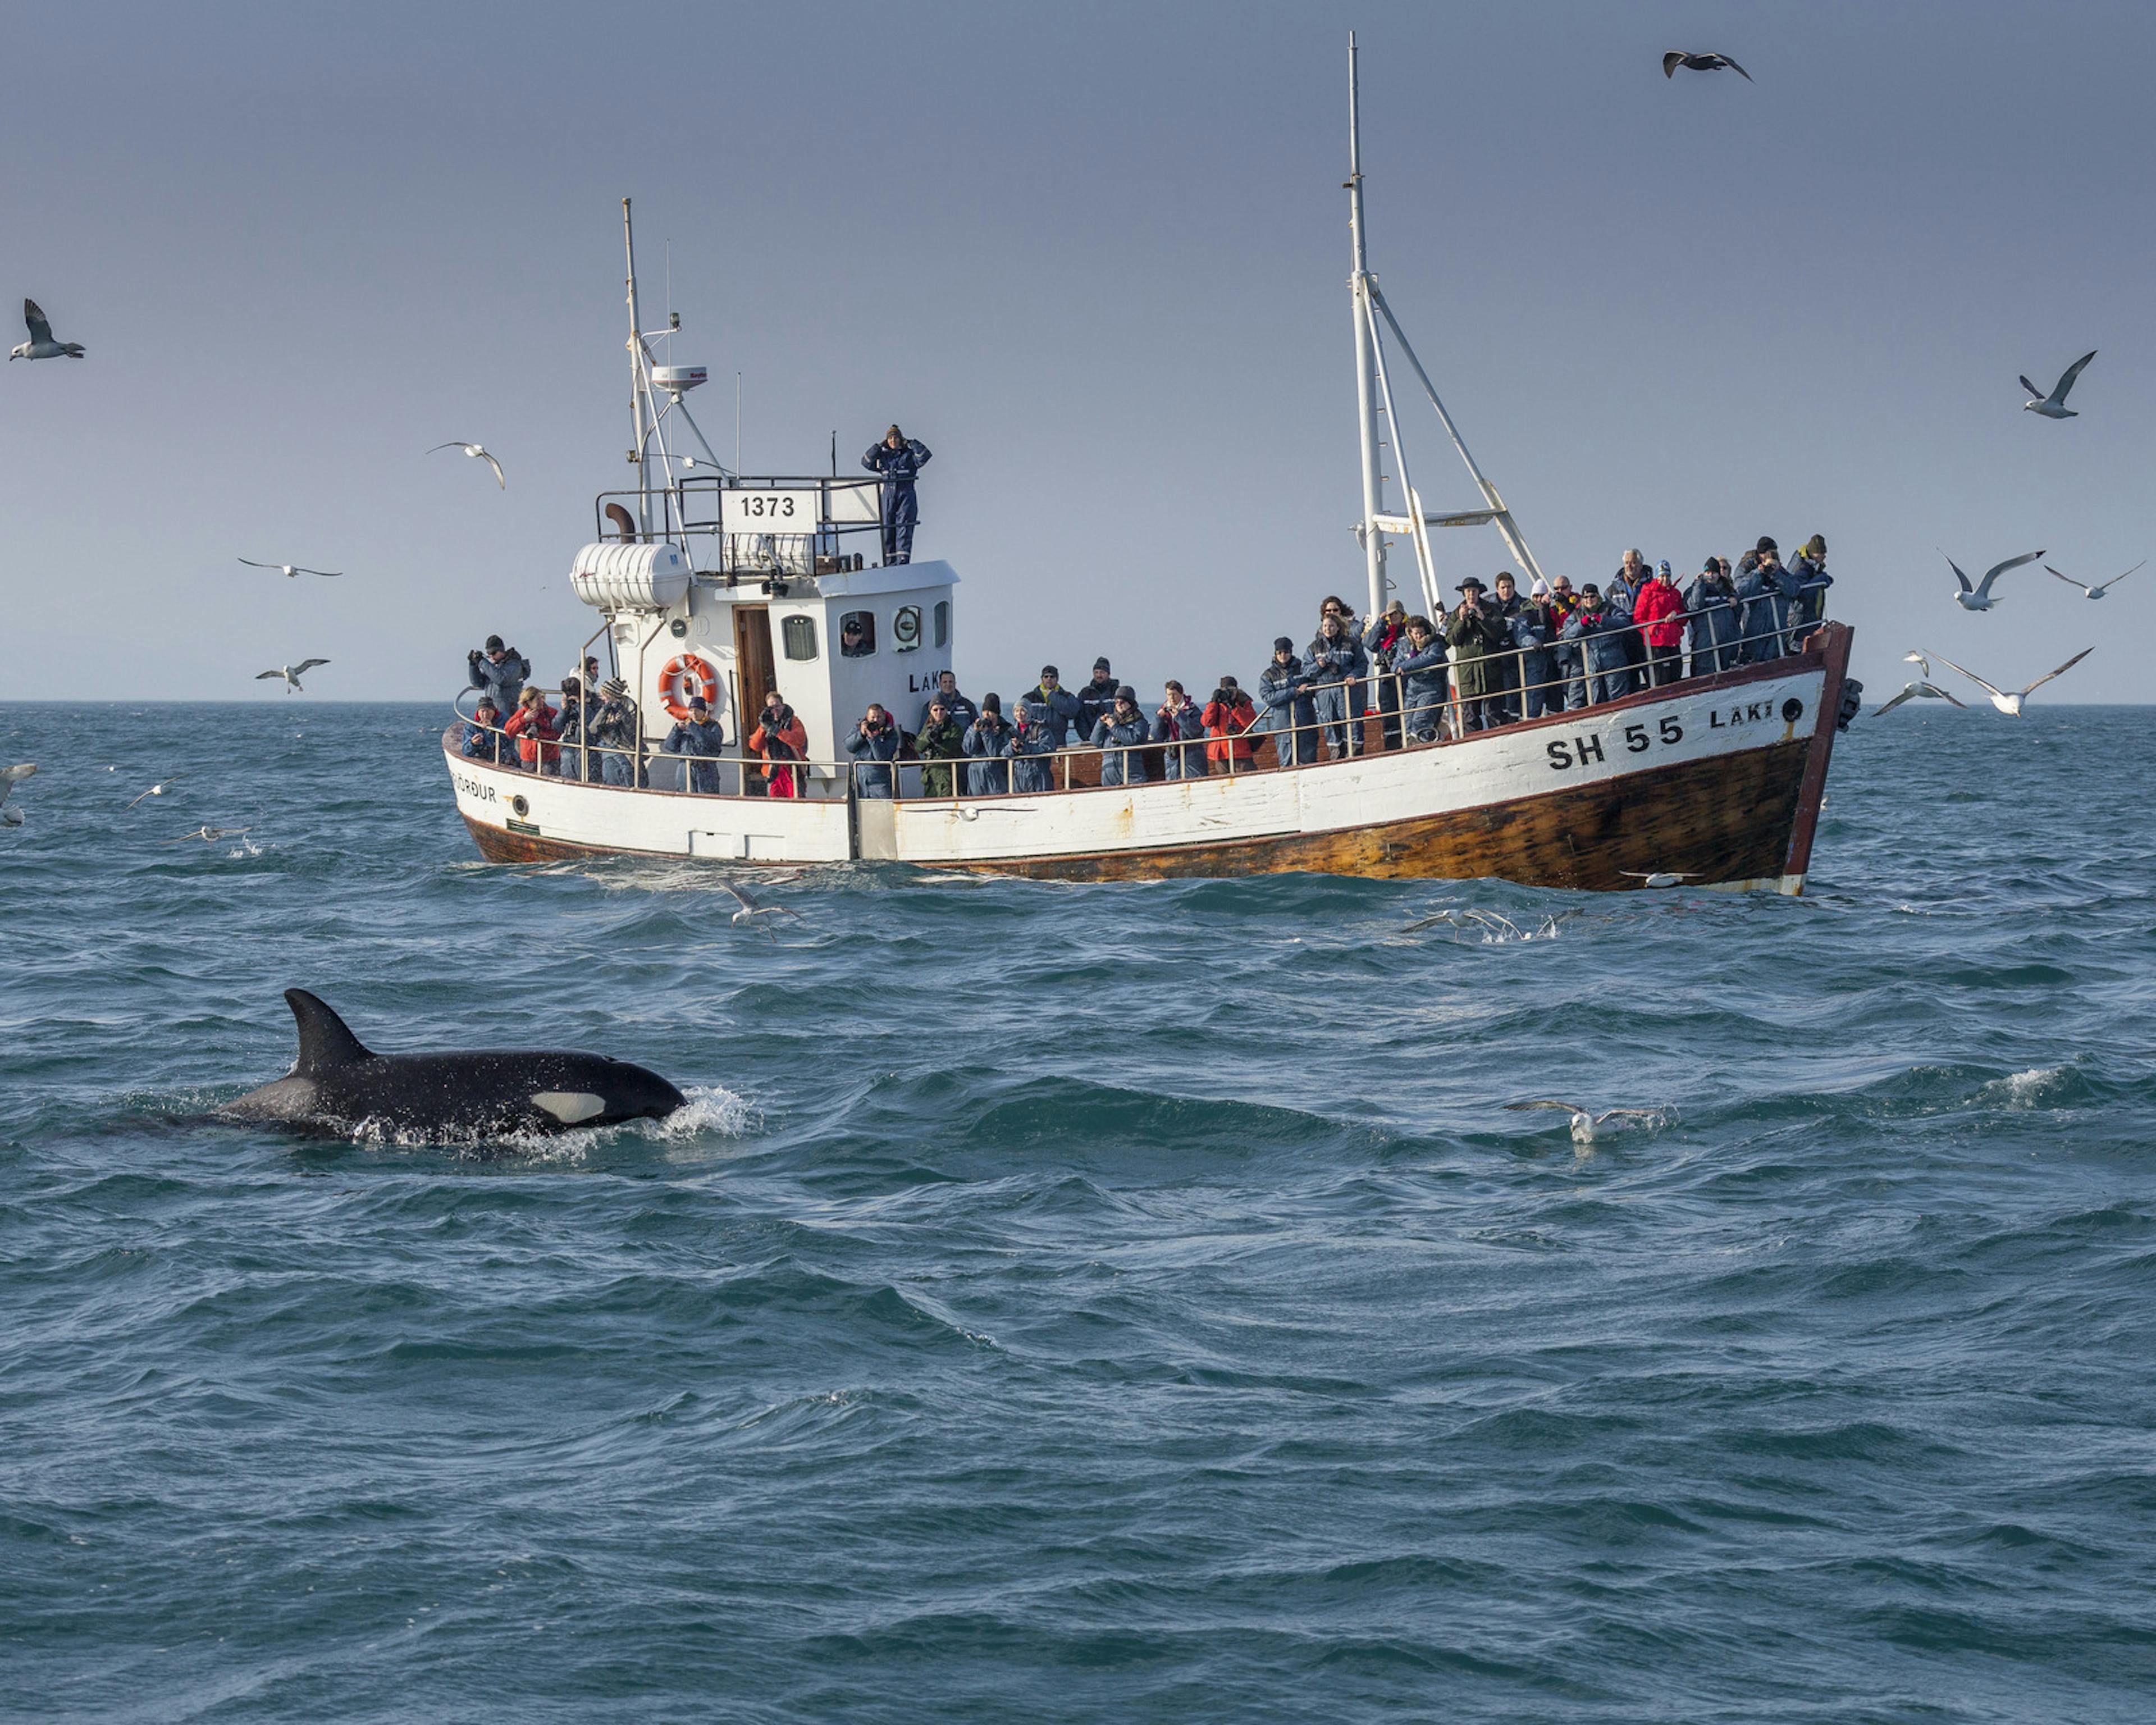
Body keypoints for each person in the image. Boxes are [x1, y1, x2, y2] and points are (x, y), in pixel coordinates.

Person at [861, 424, 932, 564]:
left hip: (906, 495)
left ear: (901, 439)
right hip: (888, 495)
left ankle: (903, 562)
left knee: (904, 528)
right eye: (891, 438)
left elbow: (925, 456)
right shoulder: (883, 457)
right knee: (888, 530)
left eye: (896, 438)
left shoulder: (909, 456)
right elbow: (866, 462)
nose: (893, 441)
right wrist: (878, 446)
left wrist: (912, 443)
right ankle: (890, 563)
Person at [1305, 605, 1369, 758]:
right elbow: (1306, 670)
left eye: (1332, 626)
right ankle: (1336, 758)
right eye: (1326, 626)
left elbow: (1362, 664)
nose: (1328, 629)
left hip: (1347, 691)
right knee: (1330, 725)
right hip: (1325, 692)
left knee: (1352, 723)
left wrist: (1354, 675)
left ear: (1338, 627)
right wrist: (1318, 666)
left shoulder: (1350, 644)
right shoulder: (1314, 648)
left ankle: (1355, 756)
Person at [1446, 576, 1509, 732]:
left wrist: (1483, 618)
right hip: (1468, 675)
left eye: (1474, 591)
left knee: (1494, 713)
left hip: (1490, 672)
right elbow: (1453, 639)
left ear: (1479, 592)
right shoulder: (1456, 614)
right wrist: (1461, 620)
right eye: (1468, 592)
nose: (1471, 595)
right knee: (1470, 716)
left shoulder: (1491, 610)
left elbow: (1499, 633)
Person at [1561, 585, 1630, 706]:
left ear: (1598, 597)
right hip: (1591, 663)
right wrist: (1582, 625)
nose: (1589, 600)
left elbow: (1624, 623)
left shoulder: (1610, 609)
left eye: (1592, 596)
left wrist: (1603, 620)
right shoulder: (1577, 615)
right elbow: (1567, 634)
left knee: (1618, 698)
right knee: (1596, 698)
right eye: (1586, 597)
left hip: (1613, 660)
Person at [1257, 637, 1319, 766]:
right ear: (1275, 654)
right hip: (1283, 726)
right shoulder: (1268, 675)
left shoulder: (1303, 669)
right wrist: (1293, 692)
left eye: (1286, 652)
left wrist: (1307, 690)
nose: (1283, 656)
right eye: (1280, 653)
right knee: (1286, 763)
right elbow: (1268, 697)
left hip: (1305, 722)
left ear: (1291, 652)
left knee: (1308, 762)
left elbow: (1314, 685)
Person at [1362, 599, 1410, 750]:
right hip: (1386, 675)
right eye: (1391, 614)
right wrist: (1379, 623)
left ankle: (1409, 741)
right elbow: (1369, 644)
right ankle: (1392, 746)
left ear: (1402, 614)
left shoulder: (1410, 629)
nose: (1394, 616)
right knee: (1388, 710)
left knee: (1407, 708)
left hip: (1406, 674)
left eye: (1397, 613)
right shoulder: (1383, 631)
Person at [1394, 615, 1450, 742]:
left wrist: (1406, 666)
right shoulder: (1404, 645)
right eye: (1415, 634)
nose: (1418, 637)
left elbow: (1431, 659)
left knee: (1421, 722)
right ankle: (1411, 747)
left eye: (1421, 633)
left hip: (1432, 689)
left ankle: (1421, 745)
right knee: (1407, 723)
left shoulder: (1435, 643)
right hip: (1412, 690)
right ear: (1410, 633)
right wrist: (1398, 668)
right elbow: (1395, 664)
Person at [1633, 559, 1687, 687]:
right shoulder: (1647, 593)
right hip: (1656, 643)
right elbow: (1638, 618)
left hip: (1673, 641)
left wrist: (1676, 614)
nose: (1665, 579)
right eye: (1662, 576)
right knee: (1660, 678)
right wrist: (1651, 628)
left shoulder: (1675, 594)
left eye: (1668, 576)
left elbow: (1684, 617)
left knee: (1676, 674)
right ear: (1657, 577)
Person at [1684, 557, 1743, 675]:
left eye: (1714, 573)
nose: (1711, 576)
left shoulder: (1727, 591)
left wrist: (1735, 598)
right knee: (1704, 674)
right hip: (1705, 643)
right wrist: (1699, 585)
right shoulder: (1694, 590)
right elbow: (1695, 605)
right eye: (1708, 573)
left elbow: (1738, 613)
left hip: (1726, 641)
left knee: (1728, 673)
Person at [1510, 584, 1559, 718]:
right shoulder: (1525, 616)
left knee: (1555, 700)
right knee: (1533, 699)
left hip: (1552, 663)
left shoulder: (1552, 612)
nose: (1538, 599)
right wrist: (1534, 642)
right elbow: (1521, 636)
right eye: (1536, 596)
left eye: (1541, 596)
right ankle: (1531, 722)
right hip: (1534, 663)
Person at [748, 691, 808, 798]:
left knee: (797, 803)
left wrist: (778, 732)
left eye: (777, 706)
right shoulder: (766, 725)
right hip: (774, 772)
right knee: (775, 804)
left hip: (793, 771)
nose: (775, 710)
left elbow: (799, 740)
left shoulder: (793, 721)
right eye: (771, 707)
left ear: (783, 706)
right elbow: (755, 746)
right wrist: (763, 727)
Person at [664, 695, 728, 794]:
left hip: (706, 771)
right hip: (685, 771)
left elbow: (712, 745)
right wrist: (676, 730)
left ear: (704, 712)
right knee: (685, 798)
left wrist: (693, 727)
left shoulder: (713, 726)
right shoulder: (684, 726)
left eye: (698, 710)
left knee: (707, 799)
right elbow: (670, 747)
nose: (694, 713)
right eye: (692, 710)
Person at [1090, 686, 1153, 786]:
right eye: (1116, 702)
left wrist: (1114, 726)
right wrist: (1100, 724)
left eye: (1122, 702)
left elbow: (1133, 740)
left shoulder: (1140, 722)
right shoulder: (1111, 720)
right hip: (1110, 774)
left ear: (1130, 703)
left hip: (1132, 772)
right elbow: (1095, 741)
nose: (1119, 705)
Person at [588, 677, 641, 786]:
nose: (602, 699)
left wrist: (622, 712)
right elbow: (593, 729)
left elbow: (632, 732)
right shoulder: (606, 710)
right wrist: (604, 711)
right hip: (608, 750)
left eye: (604, 696)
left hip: (627, 751)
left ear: (611, 696)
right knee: (611, 778)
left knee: (627, 779)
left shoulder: (631, 709)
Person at [1020, 664, 1085, 749]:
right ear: (1042, 679)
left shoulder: (1066, 696)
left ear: (1057, 679)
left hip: (1058, 744)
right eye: (1046, 677)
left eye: (1052, 677)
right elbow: (1021, 719)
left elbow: (1073, 712)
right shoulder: (1029, 698)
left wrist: (1053, 697)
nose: (1049, 679)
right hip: (1035, 745)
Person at [1202, 676, 1259, 771]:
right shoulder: (1217, 704)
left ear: (1237, 690)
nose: (1229, 692)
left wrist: (1234, 708)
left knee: (1247, 778)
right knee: (1224, 782)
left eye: (1232, 689)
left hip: (1241, 751)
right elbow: (1207, 722)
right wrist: (1213, 703)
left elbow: (1249, 723)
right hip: (1221, 752)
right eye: (1226, 690)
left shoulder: (1244, 702)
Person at [1153, 680, 1207, 780]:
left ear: (1181, 694)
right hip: (1172, 758)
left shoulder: (1193, 710)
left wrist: (1179, 716)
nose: (1171, 698)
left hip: (1192, 756)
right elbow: (1157, 737)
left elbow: (1196, 732)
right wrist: (1159, 719)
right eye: (1169, 695)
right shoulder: (1164, 712)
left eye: (1174, 694)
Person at [914, 697, 967, 796]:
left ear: (947, 710)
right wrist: (928, 737)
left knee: (947, 805)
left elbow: (957, 748)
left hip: (947, 775)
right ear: (931, 711)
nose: (939, 712)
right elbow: (918, 747)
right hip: (930, 775)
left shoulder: (954, 728)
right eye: (935, 710)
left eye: (942, 709)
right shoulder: (927, 728)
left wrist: (941, 742)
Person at [963, 694, 1015, 795]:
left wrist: (987, 733)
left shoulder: (1006, 729)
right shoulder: (974, 727)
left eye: (990, 712)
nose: (987, 715)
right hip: (976, 774)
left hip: (996, 776)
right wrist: (975, 732)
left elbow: (995, 753)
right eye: (985, 712)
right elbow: (969, 749)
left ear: (997, 713)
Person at [845, 703, 900, 796]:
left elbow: (881, 757)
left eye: (879, 717)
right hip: (860, 782)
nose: (876, 720)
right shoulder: (859, 727)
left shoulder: (891, 734)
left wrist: (874, 739)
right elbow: (849, 747)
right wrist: (861, 735)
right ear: (867, 717)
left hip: (880, 783)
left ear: (884, 716)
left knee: (884, 810)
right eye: (873, 717)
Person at [467, 635, 531, 713]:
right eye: (489, 654)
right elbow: (478, 683)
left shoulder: (515, 665)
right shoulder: (494, 668)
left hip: (508, 712)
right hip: (492, 713)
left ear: (502, 651)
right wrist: (473, 665)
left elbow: (502, 680)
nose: (491, 657)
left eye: (493, 653)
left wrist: (482, 662)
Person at [1007, 698, 1059, 793]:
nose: (1019, 714)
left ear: (1029, 712)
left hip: (1039, 777)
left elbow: (1048, 748)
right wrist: (1012, 747)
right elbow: (1003, 752)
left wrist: (1025, 747)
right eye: (1016, 711)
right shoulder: (1011, 732)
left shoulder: (1040, 729)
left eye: (1023, 710)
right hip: (1019, 778)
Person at [503, 685, 559, 772]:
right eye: (538, 699)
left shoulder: (551, 713)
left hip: (549, 758)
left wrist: (541, 734)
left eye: (542, 698)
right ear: (529, 702)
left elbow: (558, 732)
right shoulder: (522, 714)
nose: (542, 701)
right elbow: (509, 731)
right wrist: (523, 720)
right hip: (529, 759)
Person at [1789, 533, 1833, 641]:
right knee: (1798, 645)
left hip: (1807, 616)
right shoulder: (1802, 568)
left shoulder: (1810, 566)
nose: (1824, 556)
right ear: (1814, 553)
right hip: (1800, 617)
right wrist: (1820, 579)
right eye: (1821, 553)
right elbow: (1800, 592)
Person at [1074, 658, 1120, 743]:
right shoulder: (1085, 694)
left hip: (1114, 740)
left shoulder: (1118, 692)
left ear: (1108, 674)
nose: (1099, 675)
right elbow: (1080, 719)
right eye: (1096, 672)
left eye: (1102, 672)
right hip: (1091, 740)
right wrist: (1088, 738)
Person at [918, 669, 978, 733]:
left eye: (951, 682)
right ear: (940, 684)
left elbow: (976, 729)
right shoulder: (930, 707)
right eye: (945, 682)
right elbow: (922, 733)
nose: (948, 684)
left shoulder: (968, 705)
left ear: (955, 683)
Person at [460, 696, 508, 763]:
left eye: (488, 711)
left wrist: (492, 731)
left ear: (494, 711)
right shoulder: (472, 725)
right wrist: (473, 743)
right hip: (483, 760)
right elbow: (466, 752)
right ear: (478, 712)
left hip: (504, 759)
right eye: (483, 711)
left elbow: (508, 743)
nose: (485, 715)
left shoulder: (504, 720)